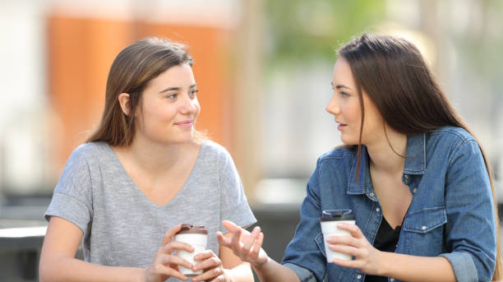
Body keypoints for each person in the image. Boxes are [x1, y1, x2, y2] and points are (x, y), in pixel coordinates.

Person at [218, 33, 502, 282]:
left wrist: (378, 260)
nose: (331, 107)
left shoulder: (455, 152)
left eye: (344, 94)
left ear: (386, 97)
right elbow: (303, 272)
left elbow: (476, 264)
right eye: (334, 92)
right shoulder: (331, 171)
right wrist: (261, 261)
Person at [39, 37, 256, 282]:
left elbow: (243, 271)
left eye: (192, 93)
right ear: (128, 104)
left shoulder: (216, 163)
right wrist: (144, 276)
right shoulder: (89, 163)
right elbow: (52, 269)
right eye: (172, 96)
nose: (190, 107)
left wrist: (226, 278)